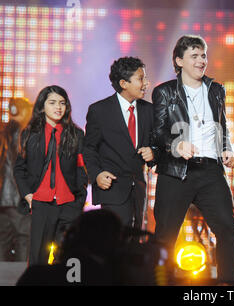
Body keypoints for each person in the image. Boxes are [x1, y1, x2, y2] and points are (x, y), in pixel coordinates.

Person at [151, 35, 234, 282]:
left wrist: (226, 147)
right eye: (194, 56)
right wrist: (176, 145)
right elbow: (157, 133)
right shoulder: (165, 92)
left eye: (203, 55)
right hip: (177, 171)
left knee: (228, 230)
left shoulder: (216, 89)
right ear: (179, 61)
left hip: (210, 170)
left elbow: (222, 125)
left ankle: (227, 284)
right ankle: (162, 281)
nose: (201, 61)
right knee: (166, 235)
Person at [13, 85, 88, 266]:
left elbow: (81, 169)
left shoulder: (76, 134)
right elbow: (19, 169)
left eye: (62, 103)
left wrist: (79, 200)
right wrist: (28, 195)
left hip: (69, 204)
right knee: (38, 258)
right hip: (41, 204)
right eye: (52, 102)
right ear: (42, 106)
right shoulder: (30, 134)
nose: (58, 107)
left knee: (70, 258)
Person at [83, 57, 155, 229]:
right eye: (141, 78)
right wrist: (97, 175)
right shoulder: (99, 111)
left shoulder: (149, 110)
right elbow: (89, 148)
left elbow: (157, 143)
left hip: (138, 188)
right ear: (124, 83)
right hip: (112, 187)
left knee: (135, 240)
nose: (146, 83)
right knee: (114, 241)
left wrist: (154, 151)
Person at [0, 98, 33, 261]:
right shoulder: (22, 133)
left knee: (2, 239)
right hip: (16, 196)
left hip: (3, 199)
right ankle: (20, 277)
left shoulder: (3, 131)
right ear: (25, 111)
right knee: (23, 237)